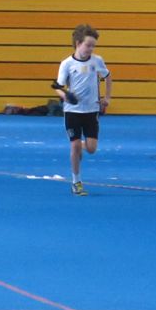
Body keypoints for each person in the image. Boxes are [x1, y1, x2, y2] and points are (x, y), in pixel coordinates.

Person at [56, 24, 112, 196]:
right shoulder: (67, 64)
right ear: (78, 43)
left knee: (91, 148)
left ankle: (80, 145)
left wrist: (107, 97)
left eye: (93, 46)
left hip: (91, 110)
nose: (91, 49)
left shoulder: (97, 61)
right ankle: (76, 181)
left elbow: (107, 77)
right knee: (74, 145)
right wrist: (65, 96)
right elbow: (58, 87)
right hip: (72, 111)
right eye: (88, 45)